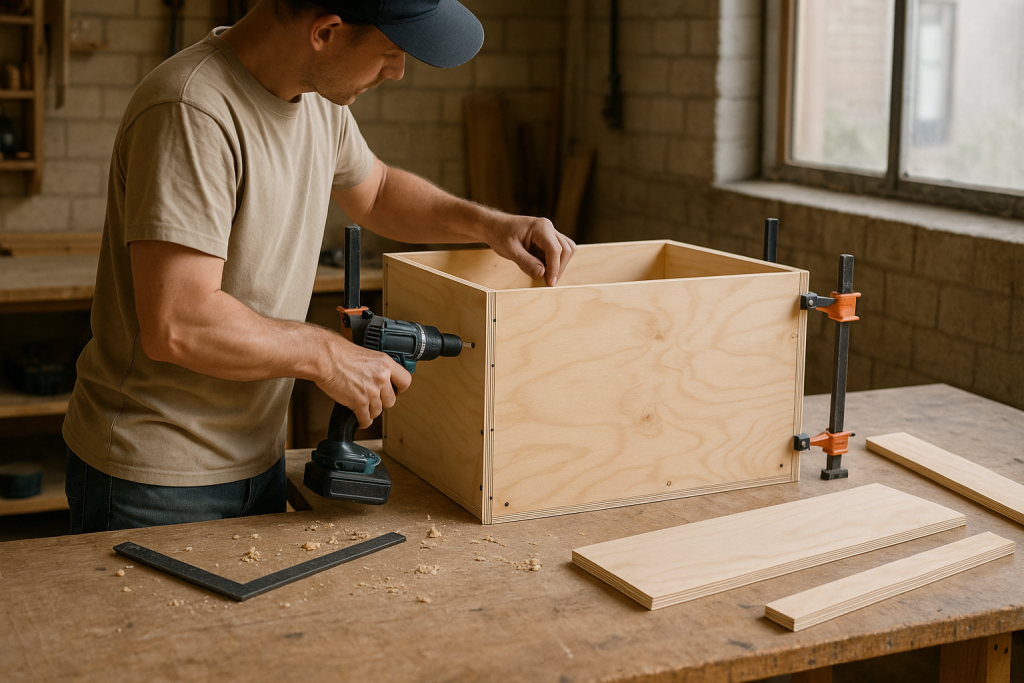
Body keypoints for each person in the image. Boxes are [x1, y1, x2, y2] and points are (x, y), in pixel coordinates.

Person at [62, 0, 576, 533]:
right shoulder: (191, 109)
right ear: (326, 31)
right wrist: (327, 354)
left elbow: (376, 193)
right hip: (155, 479)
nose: (398, 72)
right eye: (392, 52)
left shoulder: (317, 101)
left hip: (254, 456)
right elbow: (178, 324)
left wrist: (491, 225)